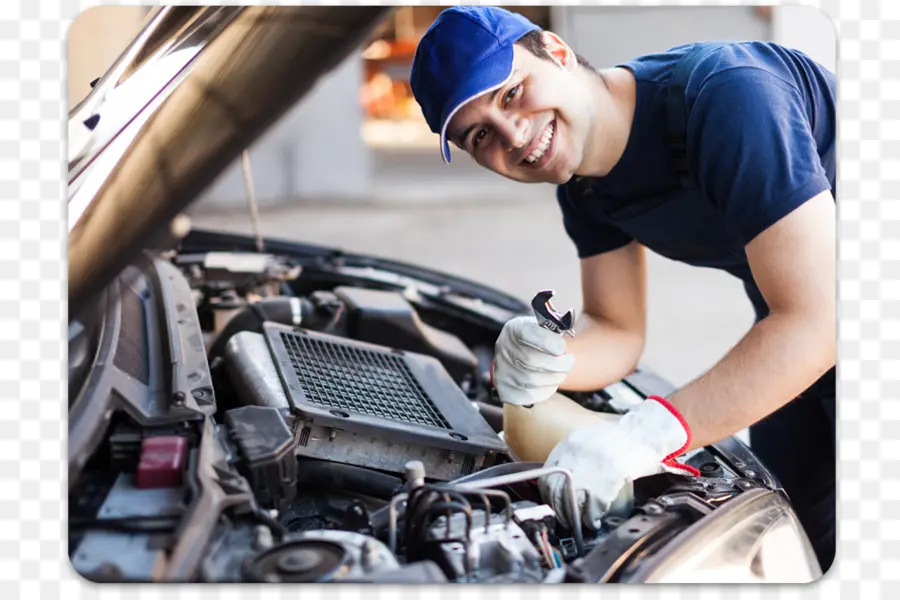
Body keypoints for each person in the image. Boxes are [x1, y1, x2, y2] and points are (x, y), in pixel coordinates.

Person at [409, 6, 836, 572]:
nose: (512, 135)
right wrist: (550, 358)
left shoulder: (728, 97)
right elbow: (617, 328)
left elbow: (819, 320)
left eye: (511, 93)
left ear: (557, 52)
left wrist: (644, 435)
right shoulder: (585, 188)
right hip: (800, 344)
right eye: (480, 134)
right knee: (800, 541)